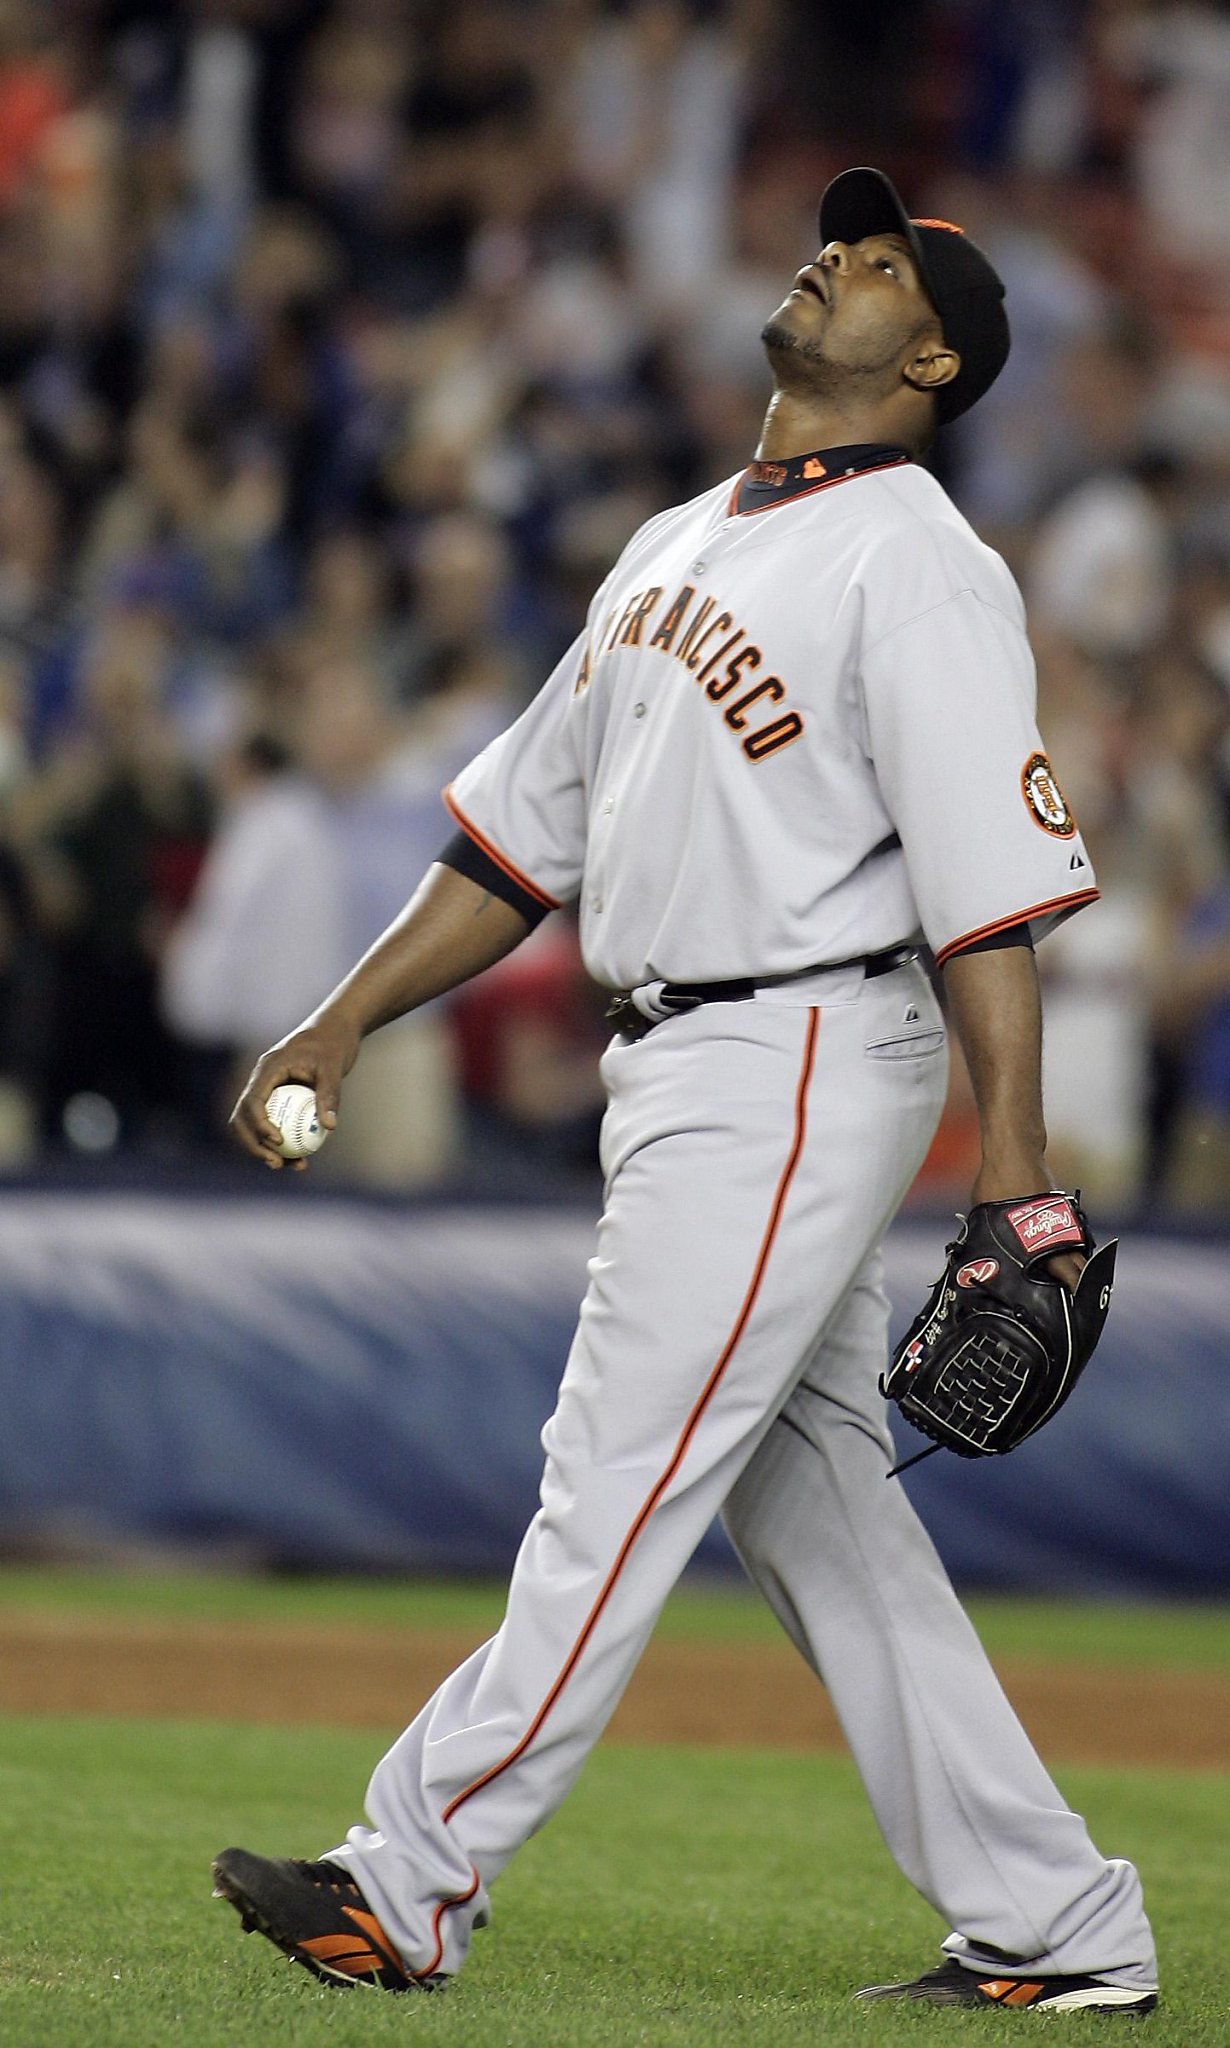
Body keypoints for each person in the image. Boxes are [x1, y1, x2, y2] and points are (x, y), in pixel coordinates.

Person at [213, 167, 1159, 2015]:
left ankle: (408, 1881)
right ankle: (1059, 1927)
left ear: (933, 356)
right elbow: (509, 847)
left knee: (616, 1472)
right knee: (810, 1500)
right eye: (842, 242)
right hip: (689, 1055)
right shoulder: (673, 541)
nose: (837, 261)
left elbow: (991, 893)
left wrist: (1017, 1176)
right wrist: (337, 1020)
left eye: (884, 265)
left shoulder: (919, 558)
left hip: (799, 1041)